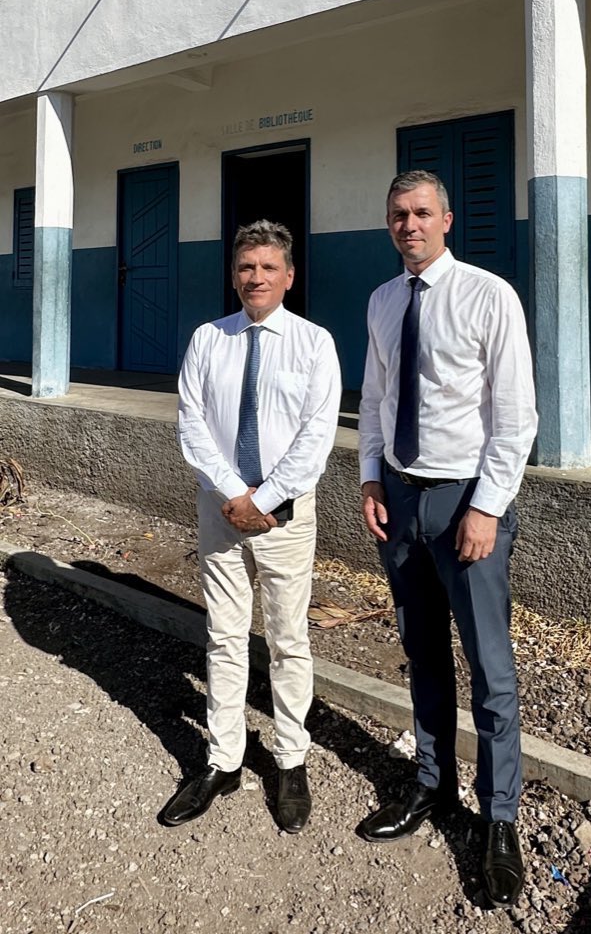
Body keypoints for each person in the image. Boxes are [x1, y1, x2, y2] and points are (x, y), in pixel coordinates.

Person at [357, 171, 537, 908]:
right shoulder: (382, 299)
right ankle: (432, 785)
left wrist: (487, 508)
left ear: (448, 219)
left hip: (466, 502)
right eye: (398, 214)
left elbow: (516, 415)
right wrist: (371, 478)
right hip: (400, 499)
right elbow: (373, 397)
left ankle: (499, 820)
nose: (410, 225)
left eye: (422, 213)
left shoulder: (489, 296)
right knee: (423, 652)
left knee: (489, 666)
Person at [163, 219, 341, 833]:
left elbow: (317, 436)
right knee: (224, 635)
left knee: (288, 638)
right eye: (246, 268)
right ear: (233, 274)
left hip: (286, 514)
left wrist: (265, 497)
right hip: (222, 511)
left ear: (289, 277)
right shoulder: (208, 339)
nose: (256, 278)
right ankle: (223, 758)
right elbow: (192, 423)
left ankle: (291, 758)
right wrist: (237, 495)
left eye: (268, 268)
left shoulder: (315, 343)